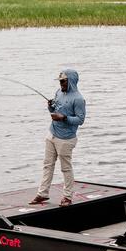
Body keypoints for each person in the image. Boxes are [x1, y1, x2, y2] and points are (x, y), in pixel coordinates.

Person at [31, 67, 86, 206]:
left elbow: (80, 120)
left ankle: (67, 197)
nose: (61, 84)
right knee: (47, 165)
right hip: (52, 134)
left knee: (65, 168)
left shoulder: (78, 99)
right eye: (60, 81)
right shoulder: (58, 93)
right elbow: (55, 109)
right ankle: (42, 194)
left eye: (63, 81)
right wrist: (50, 107)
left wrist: (64, 117)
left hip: (66, 139)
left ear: (71, 81)